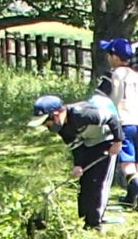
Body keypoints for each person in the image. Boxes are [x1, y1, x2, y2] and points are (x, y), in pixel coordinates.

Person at [34, 90, 119, 230]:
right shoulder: (62, 128)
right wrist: (78, 165)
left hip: (107, 139)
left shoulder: (82, 114)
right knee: (85, 181)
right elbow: (77, 146)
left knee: (99, 182)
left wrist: (117, 142)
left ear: (56, 115)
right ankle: (84, 218)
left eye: (46, 122)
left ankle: (95, 222)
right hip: (89, 142)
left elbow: (112, 119)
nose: (46, 126)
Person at [102, 38, 138, 211]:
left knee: (127, 163)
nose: (108, 57)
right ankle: (131, 197)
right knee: (136, 161)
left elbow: (101, 99)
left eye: (109, 54)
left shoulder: (111, 75)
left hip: (123, 121)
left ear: (115, 57)